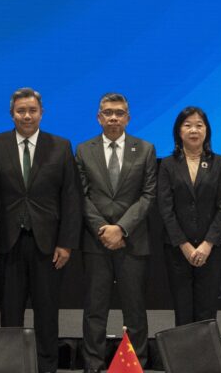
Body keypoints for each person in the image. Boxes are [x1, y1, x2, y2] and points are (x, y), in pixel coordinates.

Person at [0, 87, 80, 373]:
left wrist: (66, 243)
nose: (26, 116)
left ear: (42, 113)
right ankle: (11, 367)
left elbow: (71, 198)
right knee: (10, 314)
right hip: (8, 243)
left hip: (48, 246)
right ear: (11, 114)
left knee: (47, 314)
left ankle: (47, 367)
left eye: (32, 110)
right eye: (21, 111)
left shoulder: (60, 146)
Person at [74, 93, 157, 372]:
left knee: (135, 311)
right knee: (94, 310)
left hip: (132, 241)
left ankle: (136, 366)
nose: (113, 118)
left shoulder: (145, 149)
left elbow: (148, 195)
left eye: (119, 113)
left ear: (128, 118)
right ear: (99, 117)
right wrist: (103, 229)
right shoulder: (83, 150)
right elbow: (81, 196)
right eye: (108, 113)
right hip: (96, 242)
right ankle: (93, 366)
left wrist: (121, 229)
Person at [156, 106, 221, 328]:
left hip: (211, 249)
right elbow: (165, 208)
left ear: (206, 130)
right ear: (179, 131)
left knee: (207, 309)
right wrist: (185, 245)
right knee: (182, 308)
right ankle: (183, 352)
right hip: (177, 249)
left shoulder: (218, 162)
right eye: (188, 125)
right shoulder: (168, 164)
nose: (194, 130)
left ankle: (206, 352)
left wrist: (207, 244)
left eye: (199, 125)